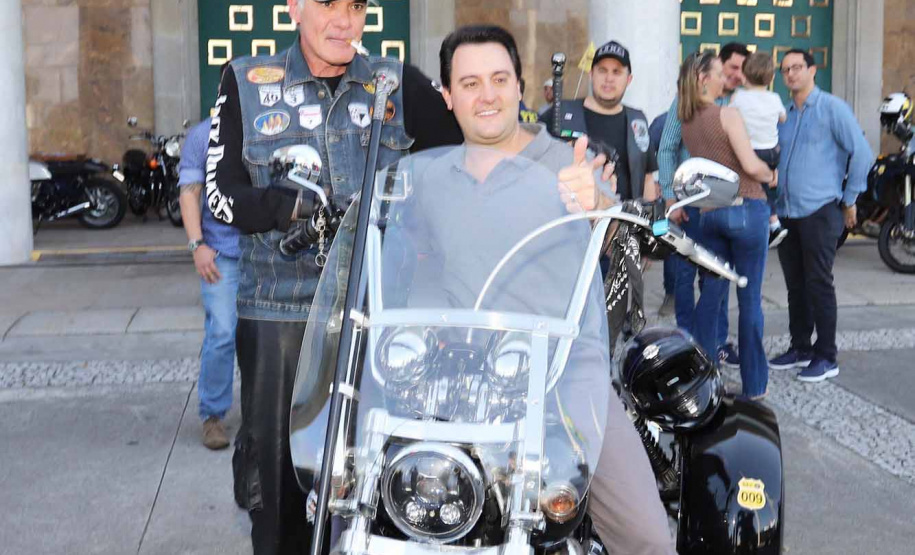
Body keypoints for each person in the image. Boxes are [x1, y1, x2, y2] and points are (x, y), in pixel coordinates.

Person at [206, 0, 463, 552]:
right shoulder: (246, 81)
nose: (345, 20)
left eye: (357, 6)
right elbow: (220, 195)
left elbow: (473, 156)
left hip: (379, 313)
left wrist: (559, 163)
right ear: (294, 8)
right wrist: (282, 207)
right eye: (328, 3)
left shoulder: (396, 85)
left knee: (383, 484)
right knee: (279, 487)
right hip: (279, 313)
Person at [438, 25, 675, 554]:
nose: (487, 94)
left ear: (519, 87)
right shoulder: (433, 177)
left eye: (499, 79)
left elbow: (607, 220)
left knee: (647, 538)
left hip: (564, 378)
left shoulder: (567, 161)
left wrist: (598, 204)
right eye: (470, 83)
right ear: (449, 95)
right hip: (460, 384)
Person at [768, 49, 873, 382]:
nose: (791, 74)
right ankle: (800, 347)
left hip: (820, 210)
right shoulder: (783, 115)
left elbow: (863, 154)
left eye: (797, 67)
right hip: (787, 213)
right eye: (785, 69)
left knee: (818, 283)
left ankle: (826, 356)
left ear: (812, 70)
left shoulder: (832, 108)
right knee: (795, 285)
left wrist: (850, 198)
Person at [678, 50, 775, 400]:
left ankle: (706, 384)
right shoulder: (727, 114)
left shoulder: (687, 120)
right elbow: (749, 165)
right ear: (703, 79)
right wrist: (770, 174)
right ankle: (754, 386)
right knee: (750, 300)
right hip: (746, 208)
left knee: (711, 296)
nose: (725, 79)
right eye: (719, 73)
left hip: (711, 214)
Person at [657, 42, 750, 368]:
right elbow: (666, 149)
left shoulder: (735, 103)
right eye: (732, 68)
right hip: (689, 204)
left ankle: (716, 342)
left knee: (717, 276)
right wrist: (670, 196)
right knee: (684, 275)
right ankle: (686, 339)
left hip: (722, 205)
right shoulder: (684, 103)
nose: (737, 75)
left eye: (742, 70)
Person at [178, 114, 240, 451]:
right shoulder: (203, 135)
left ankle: (264, 411)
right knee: (222, 333)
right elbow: (190, 193)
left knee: (266, 336)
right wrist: (196, 245)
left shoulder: (268, 123)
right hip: (221, 253)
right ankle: (213, 415)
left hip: (269, 252)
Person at [540, 40, 659, 202]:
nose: (609, 78)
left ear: (629, 79)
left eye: (616, 72)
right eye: (602, 70)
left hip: (627, 216)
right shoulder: (560, 113)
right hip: (570, 214)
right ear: (591, 74)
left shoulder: (637, 121)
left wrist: (650, 214)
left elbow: (647, 178)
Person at [729, 52, 788, 249]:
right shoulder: (775, 98)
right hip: (772, 151)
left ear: (744, 75)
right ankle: (774, 223)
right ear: (771, 78)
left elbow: (729, 115)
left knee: (745, 187)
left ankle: (751, 224)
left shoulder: (738, 97)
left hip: (749, 150)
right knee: (768, 187)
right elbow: (783, 118)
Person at [649, 112, 675, 317]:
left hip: (699, 196)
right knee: (670, 243)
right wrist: (654, 182)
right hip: (668, 195)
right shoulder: (663, 121)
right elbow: (646, 153)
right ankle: (671, 295)